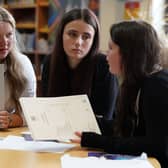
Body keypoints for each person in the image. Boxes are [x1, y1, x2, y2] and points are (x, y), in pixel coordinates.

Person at [72, 20, 168, 167]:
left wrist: (98, 141)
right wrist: (90, 122)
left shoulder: (157, 86)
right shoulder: (137, 82)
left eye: (111, 48)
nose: (106, 55)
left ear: (130, 54)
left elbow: (156, 146)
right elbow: (129, 128)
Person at [42, 8, 118, 135]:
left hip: (96, 138)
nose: (78, 42)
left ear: (93, 41)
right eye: (72, 34)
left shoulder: (104, 64)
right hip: (58, 135)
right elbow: (47, 109)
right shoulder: (50, 61)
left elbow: (105, 117)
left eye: (86, 37)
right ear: (61, 34)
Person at [0, 7, 36, 128]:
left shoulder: (23, 64)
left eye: (9, 35)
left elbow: (30, 115)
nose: (4, 42)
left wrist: (9, 120)